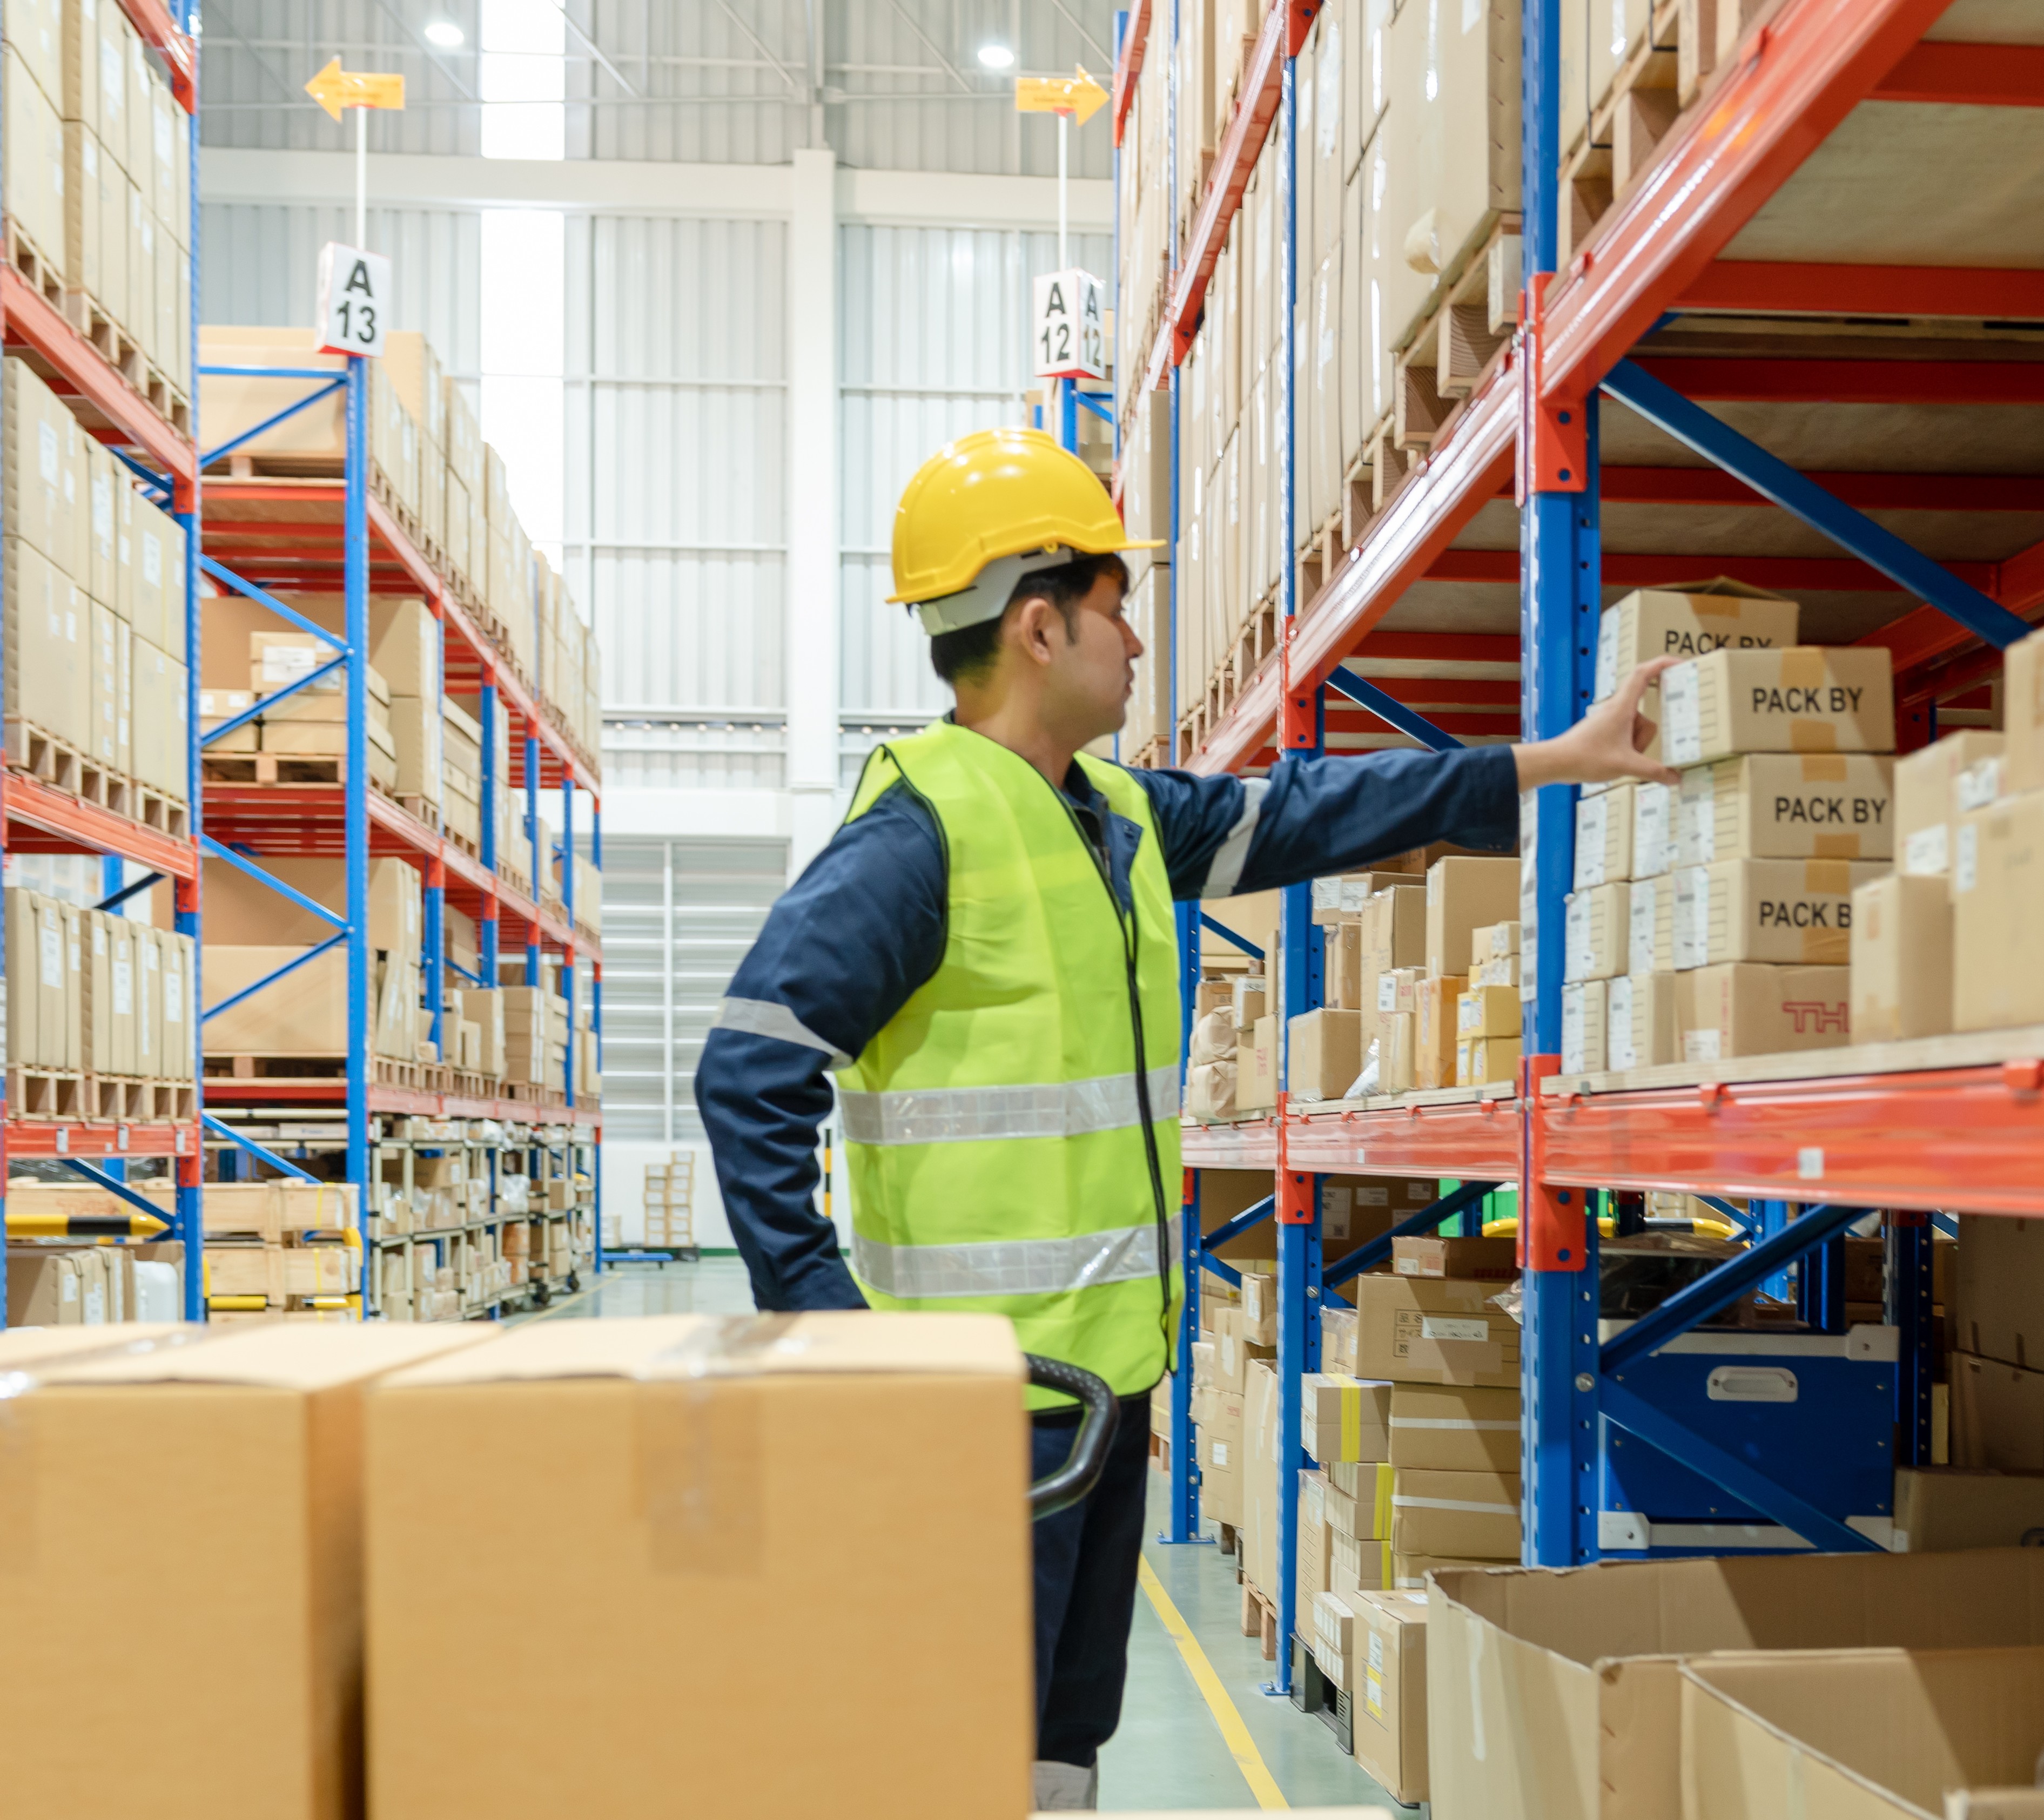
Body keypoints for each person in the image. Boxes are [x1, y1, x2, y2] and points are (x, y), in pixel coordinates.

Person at [696, 427, 1677, 1812]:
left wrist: (1547, 760)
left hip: (1101, 1386)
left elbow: (1311, 809)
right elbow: (748, 1071)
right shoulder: (915, 836)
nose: (1138, 636)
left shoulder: (1108, 816)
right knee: (950, 1742)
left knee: (1057, 1742)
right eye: (1116, 605)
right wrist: (826, 1318)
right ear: (1038, 624)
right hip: (974, 1408)